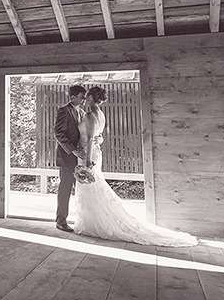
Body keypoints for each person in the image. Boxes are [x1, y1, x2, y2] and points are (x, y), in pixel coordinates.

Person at [73, 85, 197, 247]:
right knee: (94, 187)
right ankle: (92, 221)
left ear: (91, 98)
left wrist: (87, 162)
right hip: (96, 151)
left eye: (87, 96)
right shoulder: (100, 114)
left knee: (91, 186)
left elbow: (90, 139)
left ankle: (97, 223)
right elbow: (99, 136)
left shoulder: (90, 115)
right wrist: (98, 143)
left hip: (88, 154)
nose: (85, 98)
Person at [52, 85, 86, 232]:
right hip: (66, 157)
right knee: (65, 189)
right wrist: (73, 151)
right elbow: (58, 133)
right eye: (82, 97)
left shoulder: (81, 112)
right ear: (72, 97)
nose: (84, 100)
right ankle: (61, 221)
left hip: (78, 158)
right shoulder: (63, 111)